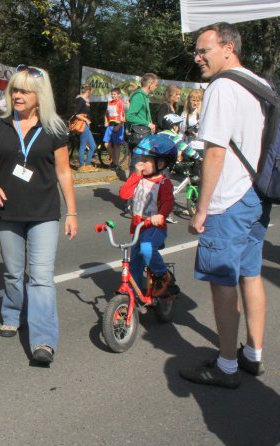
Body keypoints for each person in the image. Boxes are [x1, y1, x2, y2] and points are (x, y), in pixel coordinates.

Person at [180, 22, 271, 389]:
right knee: (251, 273)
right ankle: (253, 354)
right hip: (257, 194)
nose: (198, 57)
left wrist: (201, 209)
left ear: (228, 48)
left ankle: (227, 366)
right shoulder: (260, 84)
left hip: (229, 197)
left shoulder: (222, 86)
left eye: (204, 50)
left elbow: (215, 152)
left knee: (223, 281)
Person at [0, 64, 77, 364]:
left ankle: (44, 341)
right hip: (7, 211)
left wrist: (71, 212)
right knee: (12, 271)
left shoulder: (55, 128)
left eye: (25, 91)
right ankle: (10, 312)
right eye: (15, 90)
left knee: (42, 277)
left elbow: (64, 172)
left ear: (39, 96)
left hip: (44, 213)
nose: (17, 96)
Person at [119, 134, 177, 295]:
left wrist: (162, 215)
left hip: (154, 227)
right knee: (135, 263)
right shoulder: (138, 179)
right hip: (137, 228)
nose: (141, 163)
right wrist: (135, 176)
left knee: (146, 249)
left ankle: (162, 274)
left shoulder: (164, 183)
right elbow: (124, 194)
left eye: (146, 160)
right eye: (141, 159)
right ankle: (133, 294)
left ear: (161, 163)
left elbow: (168, 202)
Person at [126, 73, 158, 173]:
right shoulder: (139, 96)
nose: (156, 87)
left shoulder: (144, 96)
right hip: (139, 136)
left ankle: (135, 186)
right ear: (150, 84)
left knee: (140, 165)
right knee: (137, 164)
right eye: (156, 85)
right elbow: (130, 116)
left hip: (143, 135)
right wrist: (147, 123)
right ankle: (131, 187)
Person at [74, 84, 98, 171]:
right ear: (88, 91)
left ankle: (87, 165)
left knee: (92, 145)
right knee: (84, 145)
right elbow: (76, 114)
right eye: (90, 92)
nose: (90, 94)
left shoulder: (85, 101)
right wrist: (86, 120)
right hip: (83, 125)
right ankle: (82, 166)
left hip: (86, 125)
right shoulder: (81, 100)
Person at [103, 87, 126, 170]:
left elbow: (124, 117)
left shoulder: (121, 103)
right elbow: (106, 113)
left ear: (119, 95)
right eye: (112, 94)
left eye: (114, 94)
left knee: (116, 146)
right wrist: (106, 121)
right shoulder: (109, 103)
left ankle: (116, 164)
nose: (113, 96)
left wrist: (119, 126)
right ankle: (115, 161)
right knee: (106, 143)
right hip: (110, 125)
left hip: (118, 125)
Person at [179, 88, 205, 153]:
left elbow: (206, 133)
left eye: (198, 101)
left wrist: (195, 135)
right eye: (193, 100)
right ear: (189, 100)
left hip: (199, 147)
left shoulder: (203, 115)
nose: (195, 103)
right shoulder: (184, 114)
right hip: (187, 147)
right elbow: (181, 132)